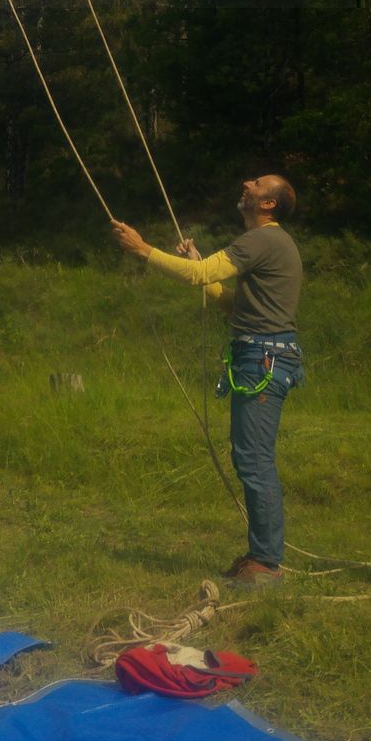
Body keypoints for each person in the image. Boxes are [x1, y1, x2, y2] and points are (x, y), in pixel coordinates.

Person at [111, 175, 304, 586]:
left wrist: (143, 249)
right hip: (261, 355)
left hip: (263, 359)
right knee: (250, 457)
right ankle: (261, 555)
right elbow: (235, 306)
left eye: (257, 183)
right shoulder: (268, 243)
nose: (247, 183)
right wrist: (202, 266)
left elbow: (197, 276)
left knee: (254, 460)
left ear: (268, 205)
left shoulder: (262, 240)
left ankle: (267, 563)